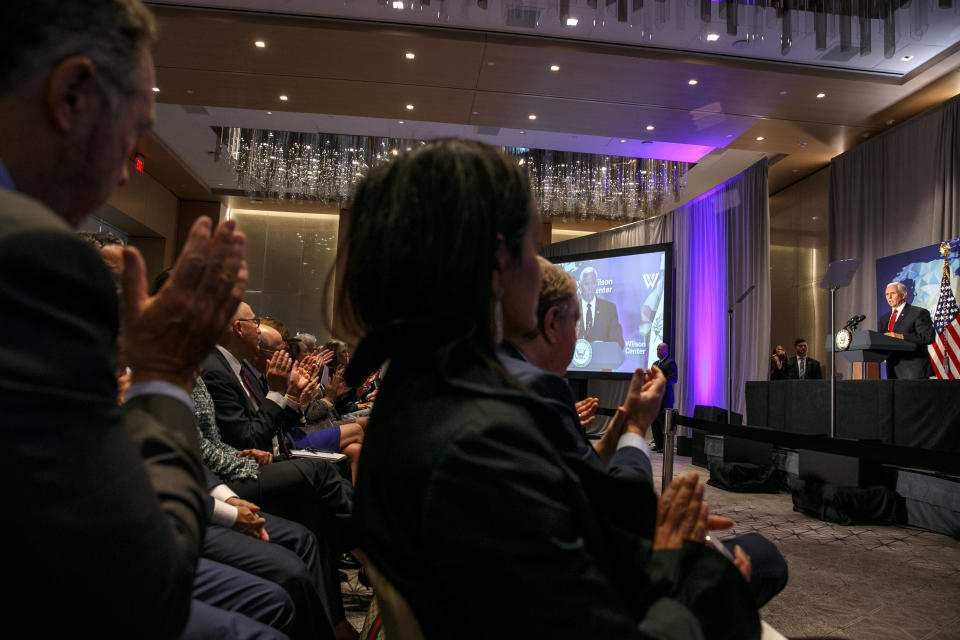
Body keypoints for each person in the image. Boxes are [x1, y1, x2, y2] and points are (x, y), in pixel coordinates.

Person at [345, 139, 760, 639]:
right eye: (529, 245)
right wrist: (685, 581)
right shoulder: (479, 445)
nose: (536, 263)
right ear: (498, 263)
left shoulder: (417, 392)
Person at [0, 0, 248, 634]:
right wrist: (162, 377)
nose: (123, 172)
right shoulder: (32, 258)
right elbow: (143, 585)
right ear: (74, 94)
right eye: (134, 128)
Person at [879, 281, 935, 379]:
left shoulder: (918, 313)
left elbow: (928, 337)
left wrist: (900, 337)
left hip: (915, 371)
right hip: (893, 371)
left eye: (893, 293)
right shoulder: (884, 318)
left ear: (903, 295)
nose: (889, 297)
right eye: (887, 294)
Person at [576, 266, 625, 347]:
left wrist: (603, 346)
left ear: (597, 284)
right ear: (580, 285)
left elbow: (619, 343)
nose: (590, 288)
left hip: (602, 359)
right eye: (586, 284)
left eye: (593, 283)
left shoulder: (609, 309)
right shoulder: (571, 309)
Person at [650, 342, 678, 453]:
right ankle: (658, 444)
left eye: (660, 349)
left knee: (663, 422)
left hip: (665, 398)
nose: (658, 351)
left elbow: (673, 379)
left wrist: (660, 382)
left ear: (666, 351)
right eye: (657, 349)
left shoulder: (670, 363)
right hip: (654, 398)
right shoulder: (655, 363)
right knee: (654, 422)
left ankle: (665, 447)